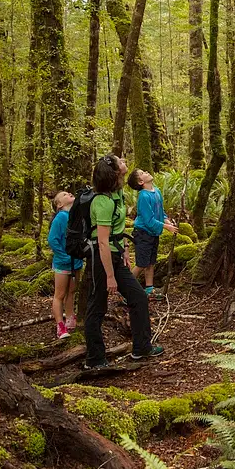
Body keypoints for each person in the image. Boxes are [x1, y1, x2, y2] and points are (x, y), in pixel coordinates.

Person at [84, 154, 164, 369]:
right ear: (114, 172)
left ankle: (142, 348)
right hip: (101, 259)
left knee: (138, 297)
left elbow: (118, 230)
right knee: (97, 307)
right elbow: (101, 242)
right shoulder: (102, 201)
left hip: (116, 255)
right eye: (120, 162)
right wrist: (110, 276)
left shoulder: (117, 192)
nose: (124, 162)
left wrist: (126, 249)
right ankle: (95, 359)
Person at [127, 168, 178, 298]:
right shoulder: (143, 196)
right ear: (140, 181)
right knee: (141, 264)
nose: (147, 172)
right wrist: (166, 227)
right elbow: (148, 220)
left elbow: (161, 211)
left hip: (153, 233)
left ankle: (149, 289)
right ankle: (126, 289)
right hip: (143, 233)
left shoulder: (157, 191)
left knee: (150, 262)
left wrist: (167, 220)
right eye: (143, 173)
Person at [48, 191, 82, 339]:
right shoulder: (60, 217)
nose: (69, 193)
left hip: (76, 261)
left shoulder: (75, 214)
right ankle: (60, 326)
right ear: (59, 204)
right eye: (64, 194)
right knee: (60, 294)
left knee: (72, 291)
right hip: (63, 263)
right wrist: (64, 256)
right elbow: (53, 240)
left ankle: (70, 318)